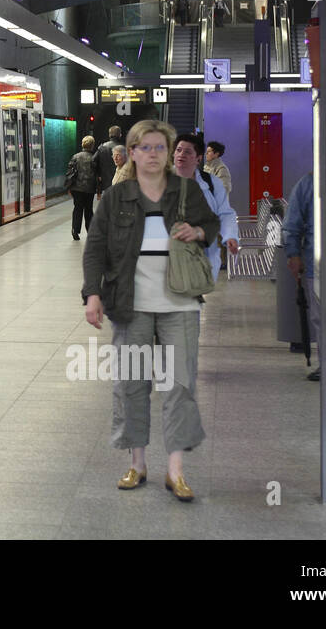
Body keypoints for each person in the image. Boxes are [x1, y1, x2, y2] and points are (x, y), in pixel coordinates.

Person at [82, 119, 219, 502]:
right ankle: (137, 463)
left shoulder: (187, 192)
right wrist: (93, 294)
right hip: (131, 304)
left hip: (181, 303)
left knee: (180, 385)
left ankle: (175, 471)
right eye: (145, 147)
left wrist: (200, 232)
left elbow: (211, 223)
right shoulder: (115, 198)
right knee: (132, 385)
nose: (154, 154)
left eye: (161, 147)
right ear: (132, 152)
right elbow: (95, 249)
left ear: (169, 153)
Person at [172, 133, 239, 280]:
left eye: (188, 152)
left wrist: (230, 235)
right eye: (178, 150)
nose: (181, 155)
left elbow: (225, 213)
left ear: (198, 158)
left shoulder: (212, 183)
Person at [282, 171, 319, 380]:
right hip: (318, 263)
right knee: (321, 317)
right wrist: (293, 254)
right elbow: (292, 223)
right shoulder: (308, 183)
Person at [66, 135, 99, 240]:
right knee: (89, 209)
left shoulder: (75, 156)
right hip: (90, 188)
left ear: (82, 144)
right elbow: (98, 174)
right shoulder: (95, 157)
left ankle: (75, 230)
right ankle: (90, 231)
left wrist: (69, 187)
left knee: (77, 208)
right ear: (92, 145)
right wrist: (98, 189)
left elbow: (70, 173)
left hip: (77, 188)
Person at [94, 125, 123, 197]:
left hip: (105, 183)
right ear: (120, 135)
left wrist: (99, 175)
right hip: (121, 183)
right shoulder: (124, 149)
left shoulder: (102, 147)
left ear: (109, 135)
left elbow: (93, 161)